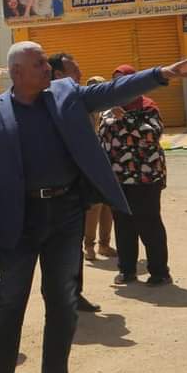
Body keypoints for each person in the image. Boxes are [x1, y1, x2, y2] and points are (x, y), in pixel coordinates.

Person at [0, 41, 187, 373]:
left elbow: (112, 90)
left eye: (46, 62)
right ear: (17, 73)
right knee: (9, 302)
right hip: (19, 217)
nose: (48, 68)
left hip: (65, 213)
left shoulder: (66, 93)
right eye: (39, 63)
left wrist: (160, 74)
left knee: (62, 301)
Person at [99, 64, 172, 286]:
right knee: (123, 225)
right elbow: (102, 137)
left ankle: (159, 272)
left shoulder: (147, 107)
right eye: (115, 82)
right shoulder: (108, 108)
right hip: (118, 178)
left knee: (149, 223)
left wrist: (125, 119)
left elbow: (152, 135)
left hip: (145, 178)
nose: (119, 87)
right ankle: (127, 270)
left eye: (124, 82)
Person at [48, 52, 102, 313]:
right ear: (58, 75)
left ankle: (74, 294)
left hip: (75, 187)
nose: (80, 75)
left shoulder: (80, 101)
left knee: (73, 245)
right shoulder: (44, 104)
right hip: (47, 191)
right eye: (75, 70)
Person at [83, 75, 117, 261]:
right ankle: (89, 245)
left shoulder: (111, 111)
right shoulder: (83, 111)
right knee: (94, 206)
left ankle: (104, 244)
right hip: (92, 163)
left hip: (110, 163)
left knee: (108, 205)